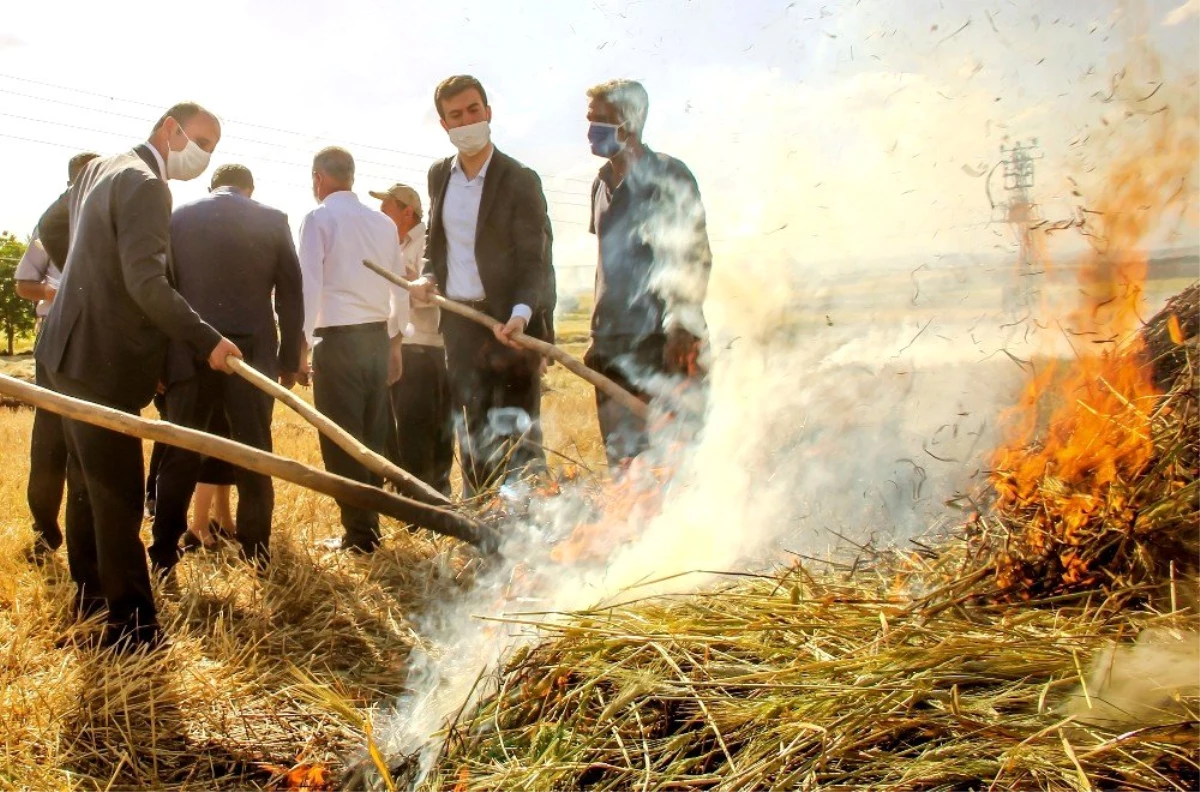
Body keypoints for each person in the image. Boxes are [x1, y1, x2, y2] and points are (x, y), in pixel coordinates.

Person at [35, 102, 242, 650]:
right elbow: (148, 285)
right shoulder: (148, 184)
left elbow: (50, 226)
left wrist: (87, 284)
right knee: (117, 494)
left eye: (214, 149)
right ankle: (132, 631)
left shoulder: (100, 167)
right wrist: (208, 341)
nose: (204, 156)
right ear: (170, 129)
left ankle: (91, 603)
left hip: (64, 350)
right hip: (99, 359)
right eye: (202, 140)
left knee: (87, 484)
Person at [148, 163, 303, 572]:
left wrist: (159, 360)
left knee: (180, 453)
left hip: (189, 348)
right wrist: (289, 359)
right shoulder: (273, 219)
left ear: (211, 185)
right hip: (250, 353)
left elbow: (161, 291)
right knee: (254, 453)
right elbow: (290, 292)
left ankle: (163, 553)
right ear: (250, 189)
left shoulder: (178, 217)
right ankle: (257, 553)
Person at [410, 75, 555, 495]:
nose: (467, 120)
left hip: (510, 326)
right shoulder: (440, 175)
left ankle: (529, 533)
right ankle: (483, 528)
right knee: (472, 429)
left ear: (488, 112)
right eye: (456, 115)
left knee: (517, 432)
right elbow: (436, 245)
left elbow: (535, 259)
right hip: (461, 325)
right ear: (444, 125)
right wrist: (428, 275)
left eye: (473, 110)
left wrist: (522, 315)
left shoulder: (519, 179)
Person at [583, 79, 713, 466]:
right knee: (624, 465)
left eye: (601, 120)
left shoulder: (667, 175)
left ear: (630, 122)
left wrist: (683, 325)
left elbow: (694, 255)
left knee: (672, 461)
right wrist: (597, 333)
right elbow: (607, 262)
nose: (592, 131)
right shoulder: (601, 183)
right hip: (612, 345)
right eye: (590, 120)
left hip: (661, 343)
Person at [299, 147, 410, 554]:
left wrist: (302, 345)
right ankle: (368, 526)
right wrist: (395, 343)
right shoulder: (382, 223)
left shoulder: (318, 218)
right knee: (372, 435)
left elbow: (309, 286)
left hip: (339, 342)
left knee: (342, 440)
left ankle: (360, 535)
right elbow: (399, 285)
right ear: (351, 176)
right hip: (377, 338)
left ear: (318, 178)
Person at [14, 152, 99, 560]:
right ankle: (45, 532)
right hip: (56, 333)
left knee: (89, 431)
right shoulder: (48, 227)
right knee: (50, 434)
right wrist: (58, 293)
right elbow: (23, 284)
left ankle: (92, 532)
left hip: (98, 337)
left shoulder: (104, 222)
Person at [371, 183, 453, 496]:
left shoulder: (428, 245)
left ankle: (427, 501)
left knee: (421, 431)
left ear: (408, 212)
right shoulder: (394, 243)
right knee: (401, 429)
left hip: (424, 347)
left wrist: (403, 279)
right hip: (401, 347)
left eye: (386, 207)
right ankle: (415, 498)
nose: (380, 214)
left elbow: (433, 292)